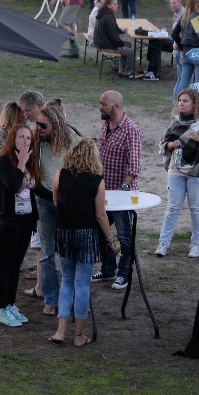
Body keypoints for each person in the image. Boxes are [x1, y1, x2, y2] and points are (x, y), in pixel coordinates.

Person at [49, 138, 116, 347]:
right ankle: (78, 336)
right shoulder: (97, 180)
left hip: (65, 233)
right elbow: (101, 215)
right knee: (82, 283)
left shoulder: (60, 175)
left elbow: (57, 202)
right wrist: (111, 240)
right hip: (87, 234)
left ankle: (60, 332)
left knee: (67, 281)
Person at [156, 88, 199, 258]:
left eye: (185, 101)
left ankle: (196, 244)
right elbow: (163, 143)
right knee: (172, 208)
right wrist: (170, 145)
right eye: (179, 100)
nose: (181, 104)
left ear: (194, 104)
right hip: (176, 169)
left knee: (196, 208)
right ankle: (163, 243)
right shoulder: (174, 122)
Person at [27, 103, 78, 316]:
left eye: (43, 125)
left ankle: (71, 296)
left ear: (56, 125)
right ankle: (50, 298)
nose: (38, 128)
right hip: (44, 201)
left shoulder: (71, 142)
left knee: (69, 252)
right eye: (37, 124)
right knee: (47, 253)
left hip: (68, 203)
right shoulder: (36, 142)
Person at [0, 124, 40, 327]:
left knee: (15, 268)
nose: (25, 141)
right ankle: (3, 308)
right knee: (5, 266)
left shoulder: (31, 163)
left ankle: (11, 305)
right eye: (21, 137)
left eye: (29, 138)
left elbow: (35, 191)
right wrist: (21, 162)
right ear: (13, 139)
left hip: (25, 222)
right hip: (8, 223)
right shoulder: (3, 163)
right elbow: (12, 186)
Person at [94, 90, 141, 290]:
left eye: (104, 103)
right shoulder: (105, 126)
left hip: (121, 195)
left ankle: (124, 273)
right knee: (100, 231)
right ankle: (107, 269)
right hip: (103, 193)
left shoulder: (131, 130)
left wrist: (122, 190)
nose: (100, 106)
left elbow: (134, 166)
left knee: (124, 235)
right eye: (100, 102)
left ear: (117, 106)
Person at [93, 0, 137, 78]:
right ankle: (128, 73)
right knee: (130, 52)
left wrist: (121, 31)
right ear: (108, 5)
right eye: (114, 4)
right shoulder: (108, 16)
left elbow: (114, 28)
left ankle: (121, 69)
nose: (117, 6)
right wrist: (120, 44)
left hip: (102, 43)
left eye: (117, 4)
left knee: (128, 44)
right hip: (105, 45)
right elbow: (113, 36)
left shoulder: (106, 14)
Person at [174, 0, 199, 101]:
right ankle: (197, 108)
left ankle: (178, 107)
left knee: (183, 83)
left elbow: (174, 33)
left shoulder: (184, 15)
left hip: (186, 52)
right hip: (198, 53)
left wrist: (182, 47)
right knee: (198, 84)